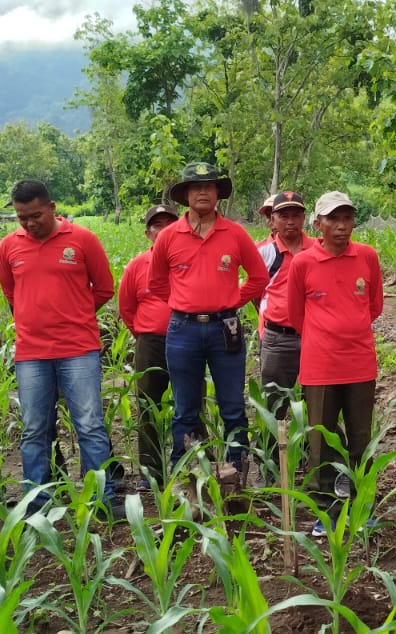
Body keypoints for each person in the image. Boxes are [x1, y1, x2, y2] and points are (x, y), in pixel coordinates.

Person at [0, 179, 119, 509]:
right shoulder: (9, 246)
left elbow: (105, 288)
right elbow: (10, 293)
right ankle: (37, 500)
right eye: (22, 217)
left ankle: (102, 496)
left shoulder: (82, 240)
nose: (29, 223)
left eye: (35, 215)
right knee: (34, 428)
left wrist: (75, 313)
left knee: (90, 425)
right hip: (31, 353)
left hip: (78, 349)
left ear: (52, 208)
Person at [148, 162, 270, 472]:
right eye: (195, 187)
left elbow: (257, 278)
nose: (202, 192)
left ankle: (237, 471)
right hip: (182, 330)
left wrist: (231, 301)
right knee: (185, 408)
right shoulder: (169, 236)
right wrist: (183, 303)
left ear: (217, 193)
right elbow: (157, 283)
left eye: (209, 186)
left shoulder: (235, 233)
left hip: (225, 327)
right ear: (185, 195)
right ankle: (184, 472)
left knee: (232, 405)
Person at [283, 192, 384, 533]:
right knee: (321, 440)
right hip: (320, 366)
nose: (341, 227)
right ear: (318, 224)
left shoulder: (367, 257)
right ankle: (325, 510)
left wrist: (348, 330)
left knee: (360, 438)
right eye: (333, 220)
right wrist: (325, 336)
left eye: (347, 219)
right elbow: (297, 316)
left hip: (359, 364)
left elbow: (374, 306)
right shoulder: (303, 263)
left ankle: (362, 507)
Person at [118, 204, 181, 489]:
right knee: (147, 406)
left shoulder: (187, 260)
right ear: (148, 233)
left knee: (190, 405)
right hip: (150, 343)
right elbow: (127, 308)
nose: (164, 229)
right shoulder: (136, 266)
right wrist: (145, 332)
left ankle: (192, 465)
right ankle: (151, 472)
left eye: (170, 223)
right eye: (157, 225)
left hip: (187, 341)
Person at [257, 191, 317, 421]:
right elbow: (256, 293)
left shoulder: (317, 250)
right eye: (284, 216)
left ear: (304, 218)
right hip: (277, 338)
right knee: (274, 405)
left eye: (296, 215)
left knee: (316, 400)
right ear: (273, 220)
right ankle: (273, 456)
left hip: (313, 335)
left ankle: (312, 455)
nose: (290, 221)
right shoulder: (264, 253)